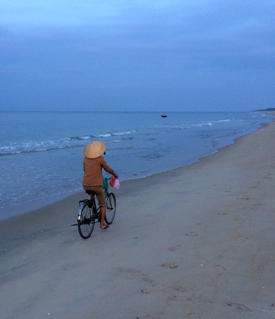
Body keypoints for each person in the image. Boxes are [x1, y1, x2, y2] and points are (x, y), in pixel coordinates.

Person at [82, 141, 118, 229]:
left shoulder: (85, 159)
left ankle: (92, 206)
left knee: (92, 192)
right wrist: (114, 173)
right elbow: (107, 168)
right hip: (97, 185)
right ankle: (102, 224)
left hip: (85, 184)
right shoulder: (100, 159)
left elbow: (85, 170)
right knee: (103, 204)